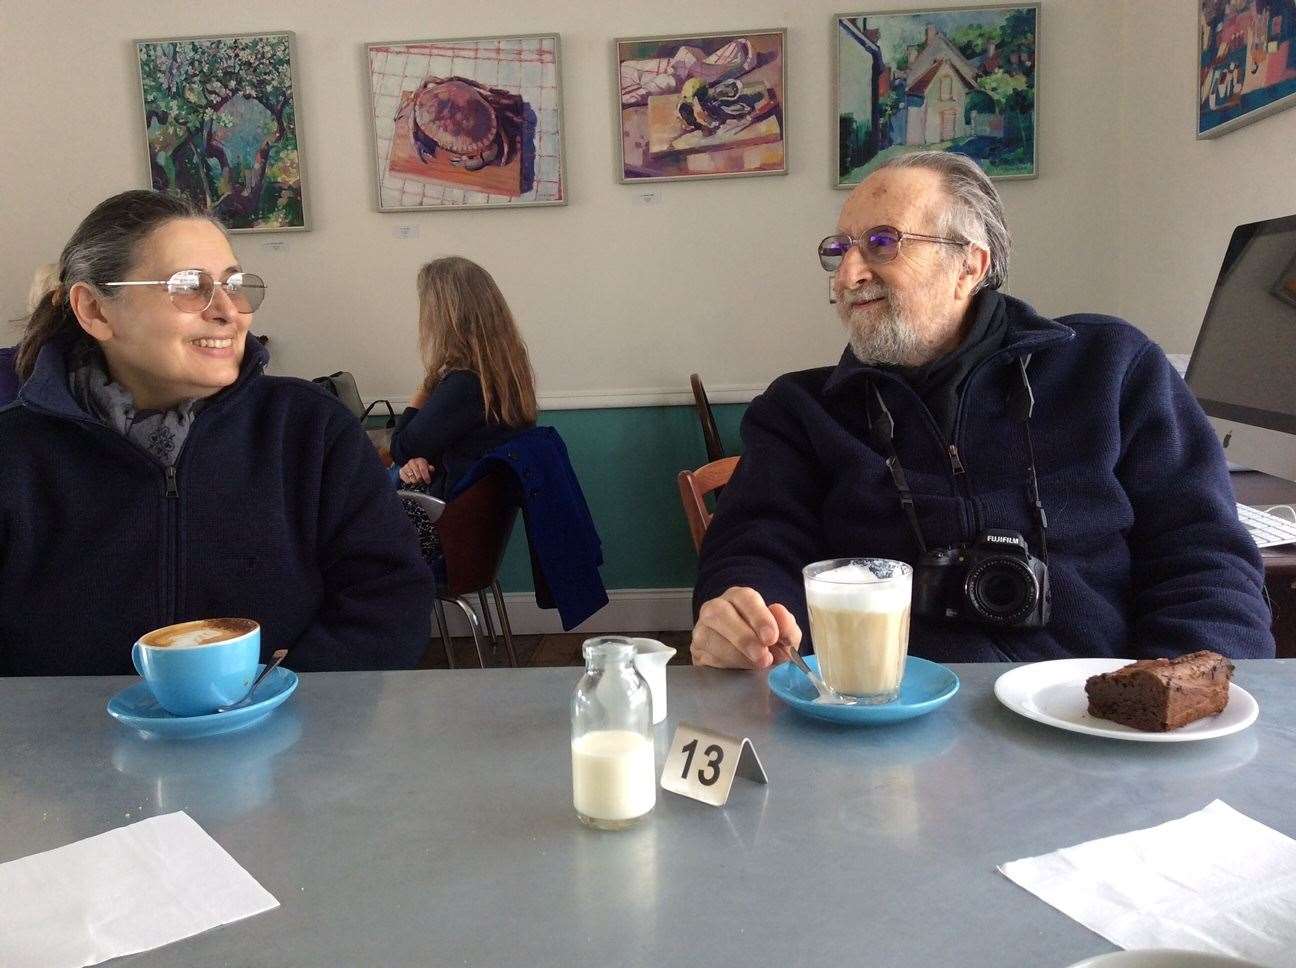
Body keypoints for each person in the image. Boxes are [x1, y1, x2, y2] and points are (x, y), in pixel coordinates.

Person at [691, 150, 1274, 669]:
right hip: (889, 719)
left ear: (969, 265)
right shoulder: (801, 411)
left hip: (1101, 713)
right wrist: (746, 614)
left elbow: (1204, 558)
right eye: (837, 250)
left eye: (882, 243)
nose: (849, 273)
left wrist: (1173, 697)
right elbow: (755, 547)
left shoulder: (1110, 369)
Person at [0, 189, 434, 675]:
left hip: (287, 739)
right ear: (96, 311)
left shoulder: (309, 430)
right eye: (189, 286)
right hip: (68, 745)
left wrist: (285, 695)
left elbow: (388, 596)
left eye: (235, 284)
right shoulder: (15, 454)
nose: (230, 310)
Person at [391, 256, 538, 498]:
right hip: (466, 508)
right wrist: (415, 460)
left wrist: (424, 388)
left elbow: (401, 447)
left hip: (442, 513)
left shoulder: (465, 384)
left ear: (444, 317)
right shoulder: (505, 373)